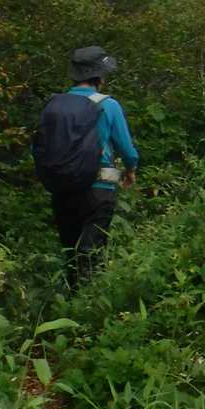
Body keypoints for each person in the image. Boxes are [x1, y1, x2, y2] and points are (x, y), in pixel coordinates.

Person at [35, 46, 140, 287]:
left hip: (62, 187)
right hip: (98, 187)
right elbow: (126, 149)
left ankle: (73, 297)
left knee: (70, 250)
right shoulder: (108, 105)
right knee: (92, 250)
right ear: (99, 77)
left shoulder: (54, 104)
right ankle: (91, 299)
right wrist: (130, 170)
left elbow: (39, 145)